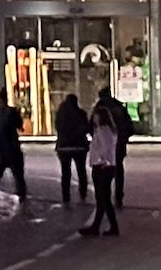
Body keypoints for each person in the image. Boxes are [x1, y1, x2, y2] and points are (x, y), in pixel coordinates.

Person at [80, 90, 130, 237]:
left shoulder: (103, 129)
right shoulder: (118, 108)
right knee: (105, 197)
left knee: (103, 197)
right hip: (110, 161)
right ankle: (103, 224)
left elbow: (106, 147)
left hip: (103, 165)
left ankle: (101, 226)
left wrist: (104, 161)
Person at [53, 92, 92, 207]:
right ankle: (83, 192)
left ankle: (66, 195)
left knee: (65, 172)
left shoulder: (60, 115)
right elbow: (86, 128)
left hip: (64, 147)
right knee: (81, 171)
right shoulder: (81, 114)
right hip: (79, 147)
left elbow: (57, 128)